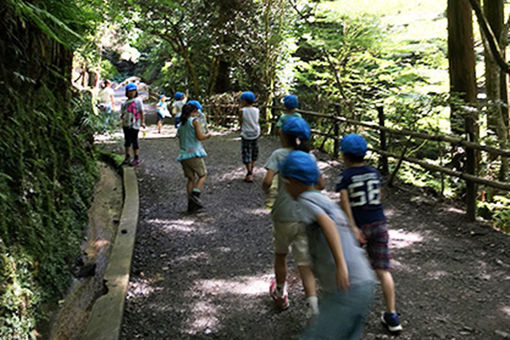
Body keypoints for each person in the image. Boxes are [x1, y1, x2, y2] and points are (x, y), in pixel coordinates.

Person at [280, 150, 375, 340]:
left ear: (293, 181)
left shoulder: (305, 200)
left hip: (346, 288)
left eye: (285, 182)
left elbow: (327, 223)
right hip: (364, 282)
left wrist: (341, 266)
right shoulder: (324, 199)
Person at [336, 133, 403, 333]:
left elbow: (344, 202)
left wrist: (352, 227)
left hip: (359, 226)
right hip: (379, 223)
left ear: (345, 156)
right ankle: (392, 316)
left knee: (349, 268)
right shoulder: (373, 173)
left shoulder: (345, 177)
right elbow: (379, 196)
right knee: (383, 270)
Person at [262, 117, 324, 317]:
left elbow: (267, 180)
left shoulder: (279, 155)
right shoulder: (310, 157)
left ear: (283, 136)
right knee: (304, 263)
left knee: (280, 255)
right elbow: (321, 185)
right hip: (306, 214)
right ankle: (312, 305)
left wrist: (268, 191)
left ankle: (280, 293)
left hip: (283, 214)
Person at [177, 103, 212, 212]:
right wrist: (208, 135)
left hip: (184, 155)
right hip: (194, 154)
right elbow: (200, 137)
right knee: (203, 174)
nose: (197, 114)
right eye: (196, 111)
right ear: (192, 112)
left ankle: (190, 205)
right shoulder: (194, 121)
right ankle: (195, 195)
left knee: (191, 178)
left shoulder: (181, 124)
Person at [120, 82, 145, 166]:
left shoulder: (138, 102)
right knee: (127, 141)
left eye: (134, 91)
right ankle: (127, 157)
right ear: (127, 92)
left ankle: (136, 158)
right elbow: (122, 114)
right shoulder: (124, 103)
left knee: (134, 141)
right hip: (126, 124)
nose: (132, 93)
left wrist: (142, 122)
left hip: (135, 124)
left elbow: (141, 112)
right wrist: (120, 120)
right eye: (130, 91)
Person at [239, 91, 260, 182]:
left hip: (246, 134)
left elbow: (241, 121)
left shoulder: (242, 111)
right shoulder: (257, 110)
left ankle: (249, 173)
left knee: (246, 152)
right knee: (254, 152)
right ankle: (251, 170)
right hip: (255, 133)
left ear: (245, 101)